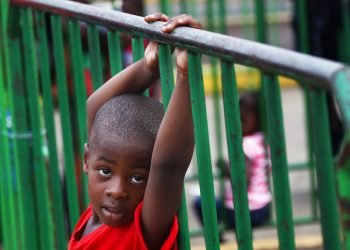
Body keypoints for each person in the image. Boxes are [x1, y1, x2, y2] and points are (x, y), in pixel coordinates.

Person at [68, 13, 201, 249]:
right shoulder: (93, 214)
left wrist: (185, 75)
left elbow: (168, 165)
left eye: (137, 178)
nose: (118, 191)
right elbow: (95, 109)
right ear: (87, 160)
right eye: (106, 171)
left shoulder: (143, 230)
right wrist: (149, 66)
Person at [193, 91, 272, 238]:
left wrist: (224, 166)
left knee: (200, 203)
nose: (238, 126)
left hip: (246, 210)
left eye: (242, 121)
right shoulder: (263, 142)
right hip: (264, 207)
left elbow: (242, 178)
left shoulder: (247, 145)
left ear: (258, 120)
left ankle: (217, 240)